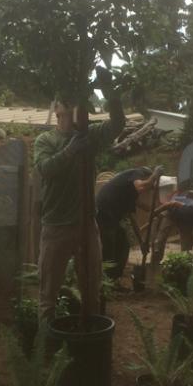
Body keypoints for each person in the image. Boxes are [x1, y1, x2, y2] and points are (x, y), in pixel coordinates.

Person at [33, 75, 125, 322]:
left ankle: (89, 344)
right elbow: (45, 169)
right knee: (48, 296)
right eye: (64, 101)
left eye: (73, 100)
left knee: (92, 291)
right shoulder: (46, 140)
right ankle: (47, 352)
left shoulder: (90, 135)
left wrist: (110, 91)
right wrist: (71, 150)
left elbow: (117, 125)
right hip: (56, 226)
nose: (69, 105)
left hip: (87, 225)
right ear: (56, 108)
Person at [95, 166, 164, 282]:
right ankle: (106, 282)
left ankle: (115, 279)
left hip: (112, 218)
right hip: (102, 213)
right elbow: (141, 186)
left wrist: (141, 242)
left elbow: (132, 218)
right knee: (110, 248)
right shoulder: (138, 172)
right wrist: (155, 175)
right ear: (146, 176)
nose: (149, 189)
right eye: (151, 186)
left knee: (123, 244)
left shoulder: (130, 193)